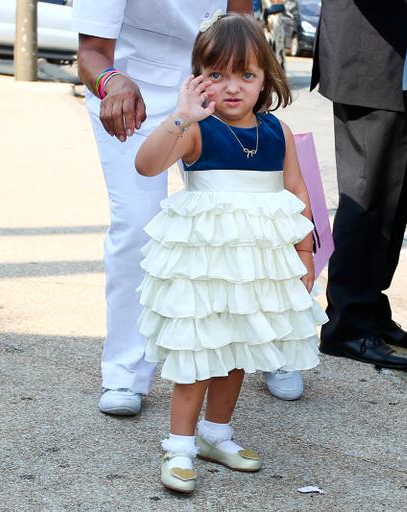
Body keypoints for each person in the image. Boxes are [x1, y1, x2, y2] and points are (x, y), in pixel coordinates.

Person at [73, 0, 307, 418]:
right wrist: (113, 83)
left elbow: (241, 20)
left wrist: (242, 78)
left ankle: (273, 348)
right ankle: (127, 369)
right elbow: (91, 50)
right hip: (132, 88)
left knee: (256, 216)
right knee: (138, 225)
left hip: (220, 77)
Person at [134, 13, 327, 493]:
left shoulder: (276, 131)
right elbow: (146, 164)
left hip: (256, 268)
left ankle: (216, 434)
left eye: (247, 74)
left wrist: (304, 253)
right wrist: (182, 115)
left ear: (266, 79)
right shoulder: (197, 129)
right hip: (204, 269)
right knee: (198, 354)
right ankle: (179, 448)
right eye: (217, 74)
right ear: (198, 78)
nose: (233, 87)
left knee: (239, 350)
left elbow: (298, 191)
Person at [311, 0, 407, 370]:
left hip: (395, 60)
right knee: (364, 197)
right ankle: (346, 326)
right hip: (371, 56)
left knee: (390, 198)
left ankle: (369, 310)